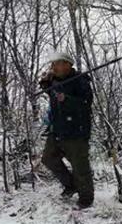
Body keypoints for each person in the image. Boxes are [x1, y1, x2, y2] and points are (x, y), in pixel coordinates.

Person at [39, 50, 95, 209]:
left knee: (80, 166)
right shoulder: (55, 81)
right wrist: (44, 83)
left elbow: (86, 103)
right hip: (57, 130)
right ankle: (71, 185)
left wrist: (67, 99)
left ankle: (86, 199)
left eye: (57, 64)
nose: (54, 67)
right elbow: (49, 91)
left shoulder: (81, 81)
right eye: (53, 64)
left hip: (76, 131)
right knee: (48, 158)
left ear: (67, 65)